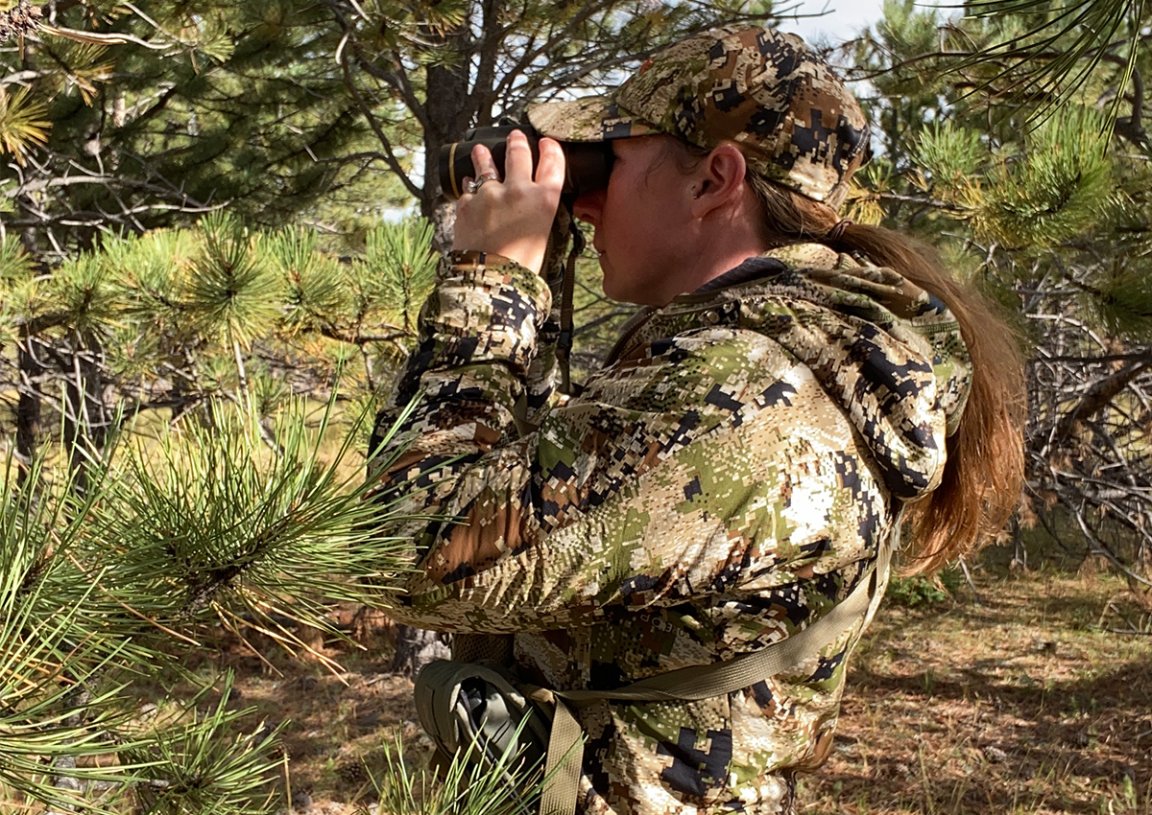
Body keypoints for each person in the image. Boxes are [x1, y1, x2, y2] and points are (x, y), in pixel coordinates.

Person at [367, 24, 1025, 815]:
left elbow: (408, 548)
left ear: (715, 179)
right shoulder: (747, 354)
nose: (586, 194)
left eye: (610, 158)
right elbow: (523, 486)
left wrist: (492, 285)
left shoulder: (748, 388)